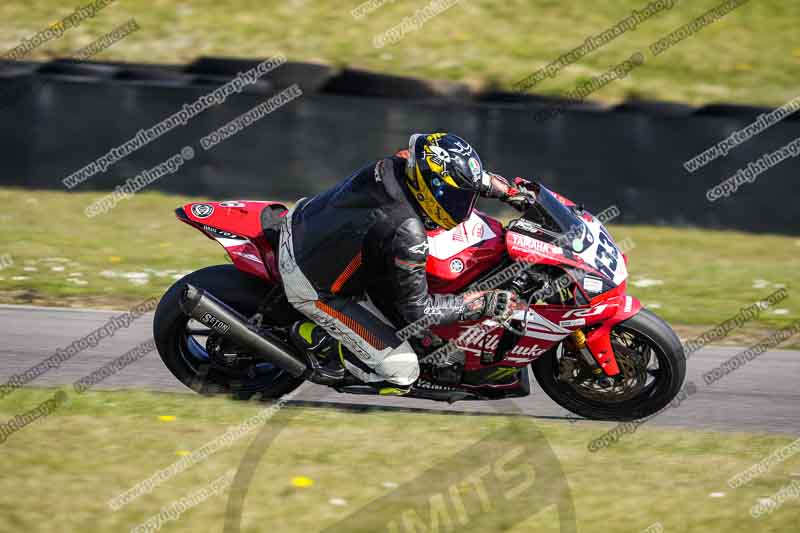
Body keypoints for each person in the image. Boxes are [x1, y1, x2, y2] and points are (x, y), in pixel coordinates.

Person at [277, 132, 536, 393]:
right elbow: (418, 311)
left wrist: (508, 192)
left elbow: (458, 173)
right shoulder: (407, 231)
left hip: (306, 218)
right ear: (431, 188)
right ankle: (318, 339)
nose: (462, 206)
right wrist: (480, 304)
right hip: (315, 284)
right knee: (402, 372)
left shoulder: (403, 163)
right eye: (455, 197)